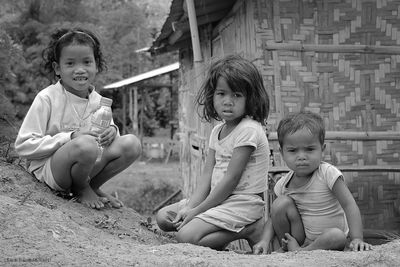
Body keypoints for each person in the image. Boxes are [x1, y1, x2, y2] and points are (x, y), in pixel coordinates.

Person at [15, 27, 141, 209]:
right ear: (57, 68)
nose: (80, 70)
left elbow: (109, 141)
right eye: (70, 63)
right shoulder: (47, 98)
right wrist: (70, 137)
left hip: (86, 165)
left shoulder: (99, 102)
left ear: (96, 65)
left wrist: (112, 132)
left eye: (87, 62)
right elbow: (23, 146)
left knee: (132, 144)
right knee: (86, 144)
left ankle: (92, 186)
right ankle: (82, 189)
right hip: (52, 171)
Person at [156, 55, 270, 251]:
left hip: (242, 203)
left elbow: (231, 179)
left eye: (236, 95)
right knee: (164, 218)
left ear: (250, 98)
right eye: (221, 94)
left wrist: (199, 210)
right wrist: (191, 207)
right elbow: (207, 175)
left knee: (185, 236)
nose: (228, 102)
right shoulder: (217, 131)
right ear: (212, 96)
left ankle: (250, 230)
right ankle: (212, 228)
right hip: (219, 200)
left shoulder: (248, 129)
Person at [253, 111, 372, 254]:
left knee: (336, 235)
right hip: (302, 239)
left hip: (331, 239)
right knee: (280, 204)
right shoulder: (283, 184)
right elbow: (273, 219)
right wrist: (264, 240)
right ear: (282, 152)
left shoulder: (328, 173)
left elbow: (349, 204)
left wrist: (357, 238)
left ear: (322, 149)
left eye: (310, 149)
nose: (302, 157)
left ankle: (301, 252)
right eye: (292, 150)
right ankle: (288, 247)